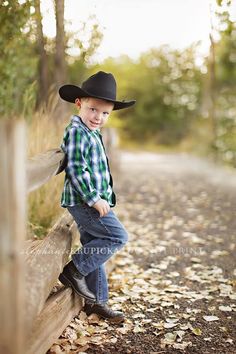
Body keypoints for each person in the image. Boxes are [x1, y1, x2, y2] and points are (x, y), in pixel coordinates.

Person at [58, 71, 135, 323]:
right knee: (116, 236)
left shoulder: (92, 131)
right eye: (93, 110)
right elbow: (77, 168)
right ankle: (74, 269)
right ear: (78, 103)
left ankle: (97, 301)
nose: (98, 117)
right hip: (84, 201)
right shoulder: (77, 131)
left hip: (92, 201)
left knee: (97, 243)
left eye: (104, 113)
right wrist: (94, 198)